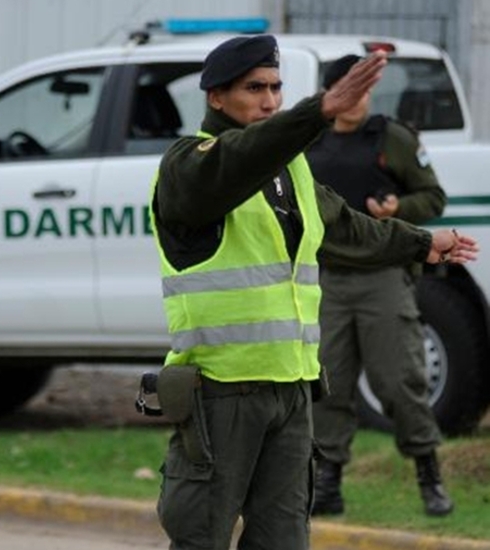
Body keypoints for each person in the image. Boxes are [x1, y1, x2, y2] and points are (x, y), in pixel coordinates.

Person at [149, 35, 477, 550]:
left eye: (276, 88)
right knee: (200, 538)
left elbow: (346, 227)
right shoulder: (191, 166)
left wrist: (420, 243)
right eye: (254, 88)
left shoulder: (290, 171)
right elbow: (241, 157)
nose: (269, 100)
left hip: (292, 387)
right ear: (215, 97)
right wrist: (319, 111)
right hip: (223, 389)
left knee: (285, 540)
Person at [305, 54, 453, 517]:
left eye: (366, 90)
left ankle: (429, 475)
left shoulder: (392, 138)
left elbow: (433, 197)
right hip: (326, 279)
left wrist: (397, 210)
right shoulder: (307, 141)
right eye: (350, 90)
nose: (359, 100)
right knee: (327, 383)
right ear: (331, 93)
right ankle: (327, 483)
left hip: (383, 275)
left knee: (399, 380)